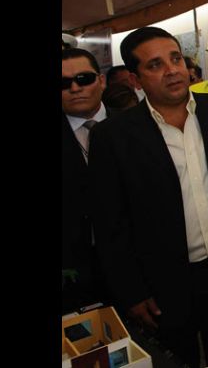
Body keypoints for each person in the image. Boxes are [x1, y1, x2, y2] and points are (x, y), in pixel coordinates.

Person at [88, 27, 208, 367]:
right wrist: (132, 292)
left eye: (175, 59)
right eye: (155, 65)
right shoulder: (112, 136)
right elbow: (110, 223)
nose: (172, 70)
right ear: (135, 78)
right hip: (163, 282)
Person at [62, 48, 111, 313]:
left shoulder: (135, 123)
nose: (74, 88)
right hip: (74, 278)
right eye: (64, 83)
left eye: (84, 79)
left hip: (141, 267)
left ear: (101, 81)